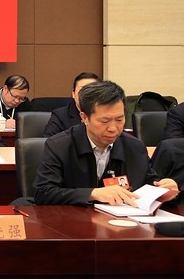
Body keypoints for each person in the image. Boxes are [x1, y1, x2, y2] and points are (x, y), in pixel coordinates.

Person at [33, 80, 179, 206]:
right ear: (84, 117)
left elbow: (149, 183)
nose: (113, 128)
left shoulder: (135, 147)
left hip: (124, 224)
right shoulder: (59, 146)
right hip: (74, 223)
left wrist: (165, 190)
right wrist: (93, 194)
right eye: (104, 121)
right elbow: (43, 192)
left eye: (119, 119)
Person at [43, 72, 100, 137]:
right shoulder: (60, 115)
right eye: (82, 90)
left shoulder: (105, 114)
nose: (87, 95)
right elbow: (49, 140)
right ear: (73, 93)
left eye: (92, 91)